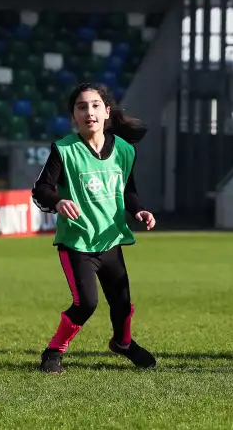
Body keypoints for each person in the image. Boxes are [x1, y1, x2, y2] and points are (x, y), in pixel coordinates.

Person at [32, 82, 157, 374]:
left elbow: (128, 190)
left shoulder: (124, 150)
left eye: (95, 105)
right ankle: (54, 351)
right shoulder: (64, 150)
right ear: (73, 115)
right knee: (86, 303)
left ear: (107, 111)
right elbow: (41, 190)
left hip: (111, 240)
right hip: (76, 242)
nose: (89, 112)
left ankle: (123, 343)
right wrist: (59, 201)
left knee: (122, 303)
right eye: (82, 107)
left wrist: (138, 210)